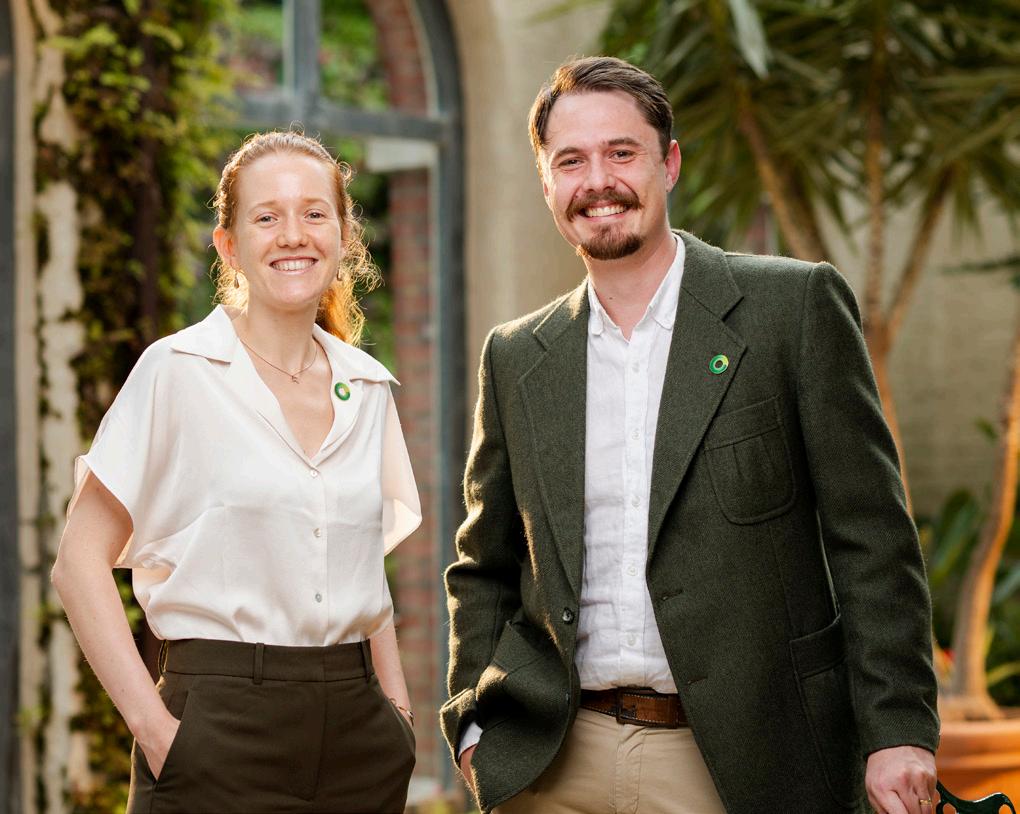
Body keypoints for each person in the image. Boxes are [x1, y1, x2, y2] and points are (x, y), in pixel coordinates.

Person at [442, 57, 940, 814]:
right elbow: (484, 563)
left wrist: (897, 729)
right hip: (552, 763)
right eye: (570, 161)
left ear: (668, 164)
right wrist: (473, 724)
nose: (597, 181)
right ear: (546, 184)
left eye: (622, 152)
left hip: (741, 763)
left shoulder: (791, 310)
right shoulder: (515, 356)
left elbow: (870, 538)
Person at [52, 130, 420, 813]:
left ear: (344, 237)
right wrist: (156, 732)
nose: (293, 235)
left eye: (314, 213)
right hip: (216, 728)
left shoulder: (367, 388)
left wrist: (397, 715)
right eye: (267, 216)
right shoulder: (177, 373)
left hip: (360, 741)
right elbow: (78, 563)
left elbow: (362, 568)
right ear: (229, 245)